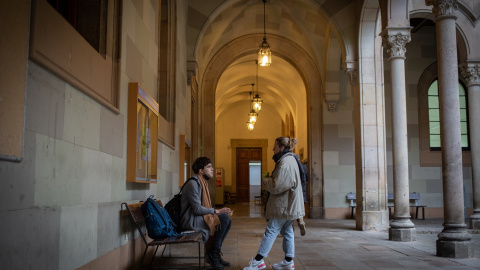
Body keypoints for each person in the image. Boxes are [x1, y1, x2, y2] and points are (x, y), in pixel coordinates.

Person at [244, 137, 305, 270]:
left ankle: (258, 261)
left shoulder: (286, 162)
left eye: (275, 146)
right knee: (287, 231)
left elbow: (277, 185)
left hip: (284, 205)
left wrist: (266, 180)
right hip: (288, 204)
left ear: (282, 147)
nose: (273, 149)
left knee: (271, 231)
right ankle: (289, 261)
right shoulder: (288, 160)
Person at [180, 157, 232, 270]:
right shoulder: (193, 183)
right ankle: (213, 254)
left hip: (196, 217)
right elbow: (197, 209)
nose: (212, 169)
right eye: (209, 167)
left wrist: (216, 212)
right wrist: (216, 211)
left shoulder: (202, 182)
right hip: (190, 220)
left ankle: (214, 252)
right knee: (223, 219)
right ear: (201, 171)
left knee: (226, 219)